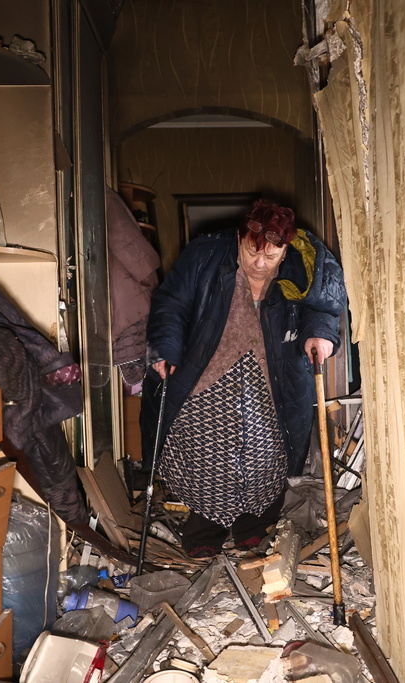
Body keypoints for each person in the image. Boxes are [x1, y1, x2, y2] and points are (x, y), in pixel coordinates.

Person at [140, 198, 348, 558]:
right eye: (252, 252)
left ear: (285, 251)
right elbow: (172, 304)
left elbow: (324, 306)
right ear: (239, 239)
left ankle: (254, 527)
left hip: (272, 378)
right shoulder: (205, 254)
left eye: (271, 256)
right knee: (205, 452)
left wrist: (320, 334)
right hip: (205, 373)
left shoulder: (306, 261)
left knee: (266, 451)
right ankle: (205, 528)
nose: (260, 263)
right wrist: (166, 348)